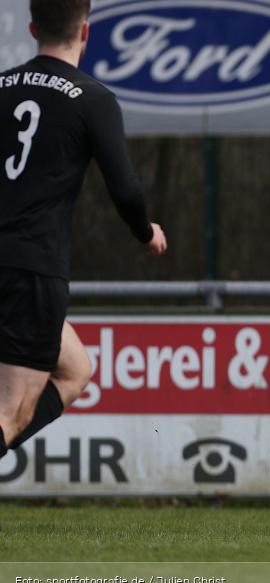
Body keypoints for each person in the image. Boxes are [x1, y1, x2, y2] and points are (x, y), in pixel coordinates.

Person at [0, 0, 167, 461]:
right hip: (30, 271)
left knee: (75, 370)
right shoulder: (92, 98)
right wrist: (145, 231)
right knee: (10, 415)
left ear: (33, 26)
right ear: (86, 32)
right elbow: (127, 190)